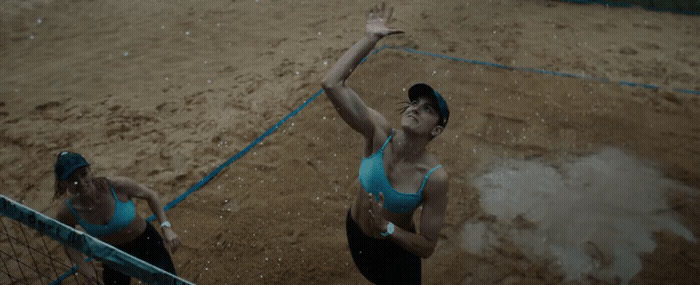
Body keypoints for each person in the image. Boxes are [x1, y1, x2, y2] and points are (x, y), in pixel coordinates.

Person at [321, 2, 449, 284]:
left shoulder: (434, 178)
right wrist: (371, 38)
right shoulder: (378, 133)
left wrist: (386, 227)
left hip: (394, 255)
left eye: (427, 109)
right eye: (414, 102)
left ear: (437, 130)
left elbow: (427, 246)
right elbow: (332, 84)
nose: (415, 108)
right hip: (355, 233)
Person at [53, 151, 181, 285]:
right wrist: (84, 268)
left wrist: (166, 227)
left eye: (84, 174)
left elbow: (151, 195)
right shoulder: (66, 212)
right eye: (72, 180)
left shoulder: (117, 186)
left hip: (146, 243)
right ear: (63, 183)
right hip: (112, 255)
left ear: (90, 171)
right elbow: (68, 242)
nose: (80, 182)